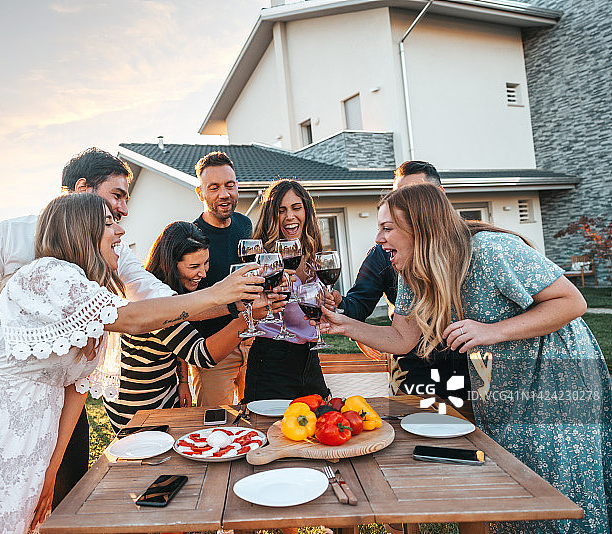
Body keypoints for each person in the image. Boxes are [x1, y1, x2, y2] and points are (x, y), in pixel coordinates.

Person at [0, 194, 261, 534]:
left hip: (26, 442)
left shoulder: (90, 295)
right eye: (109, 223)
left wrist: (50, 470)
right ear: (82, 232)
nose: (120, 232)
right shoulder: (46, 275)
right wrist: (218, 294)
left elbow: (76, 389)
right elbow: (133, 318)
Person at [319, 182, 612, 534]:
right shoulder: (413, 271)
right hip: (502, 376)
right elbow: (401, 339)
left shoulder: (492, 250)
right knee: (510, 475)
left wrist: (492, 331)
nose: (379, 239)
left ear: (420, 228)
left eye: (387, 228)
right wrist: (345, 325)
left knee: (554, 474)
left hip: (555, 371)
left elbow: (572, 302)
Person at [0, 148, 177, 508]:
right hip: (2, 403)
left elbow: (152, 294)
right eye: (116, 195)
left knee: (62, 502)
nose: (124, 211)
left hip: (65, 398)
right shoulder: (11, 233)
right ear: (81, 189)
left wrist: (224, 300)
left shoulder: (110, 247)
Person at [104, 222, 268, 431]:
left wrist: (183, 381)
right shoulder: (156, 300)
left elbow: (180, 338)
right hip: (138, 403)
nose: (203, 273)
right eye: (193, 267)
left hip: (165, 389)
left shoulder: (174, 290)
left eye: (206, 263)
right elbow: (202, 355)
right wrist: (247, 318)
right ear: (171, 263)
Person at [338, 161, 469, 408]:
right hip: (412, 370)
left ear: (437, 197)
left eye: (415, 196)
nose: (406, 205)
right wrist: (340, 311)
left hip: (468, 369)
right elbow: (358, 306)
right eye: (399, 197)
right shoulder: (386, 255)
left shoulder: (474, 247)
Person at [244, 179, 330, 402]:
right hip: (272, 359)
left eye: (296, 208)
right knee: (271, 431)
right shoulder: (262, 258)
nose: (290, 216)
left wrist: (329, 301)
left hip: (310, 358)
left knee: (319, 426)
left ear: (306, 212)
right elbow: (246, 305)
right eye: (281, 210)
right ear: (273, 216)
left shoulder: (312, 253)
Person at [190, 151, 253, 406]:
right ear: (200, 192)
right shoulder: (191, 236)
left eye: (230, 185)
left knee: (258, 419)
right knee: (217, 427)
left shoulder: (245, 225)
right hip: (214, 353)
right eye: (213, 187)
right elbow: (187, 307)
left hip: (252, 341)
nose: (224, 194)